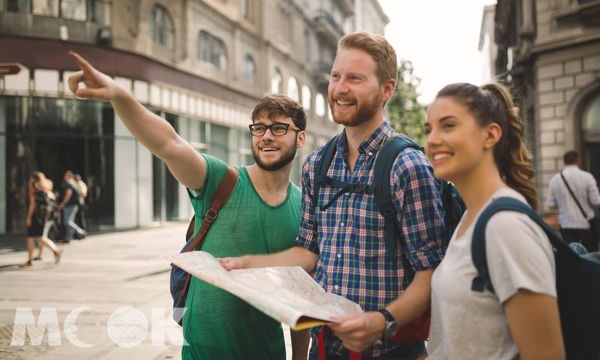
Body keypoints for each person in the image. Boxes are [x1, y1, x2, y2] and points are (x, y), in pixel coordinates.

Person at [67, 51, 310, 360]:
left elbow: (301, 296)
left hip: (266, 352)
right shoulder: (224, 181)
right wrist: (119, 95)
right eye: (259, 127)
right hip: (201, 352)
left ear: (300, 138)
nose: (266, 136)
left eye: (279, 128)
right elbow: (169, 143)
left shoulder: (305, 207)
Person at [222, 31, 446, 359]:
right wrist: (246, 264)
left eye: (354, 78)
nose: (339, 89)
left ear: (387, 89)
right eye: (336, 76)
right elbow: (308, 253)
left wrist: (383, 321)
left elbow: (431, 273)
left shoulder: (407, 166)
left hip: (390, 352)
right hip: (325, 350)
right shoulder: (317, 164)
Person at [424, 82, 565, 359]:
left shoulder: (506, 226)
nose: (432, 140)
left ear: (490, 135)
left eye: (448, 126)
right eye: (429, 129)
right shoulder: (470, 217)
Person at [546, 150, 600, 252]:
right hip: (586, 223)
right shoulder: (587, 177)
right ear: (578, 160)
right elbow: (596, 202)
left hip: (566, 224)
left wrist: (564, 204)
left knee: (571, 256)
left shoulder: (555, 179)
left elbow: (551, 204)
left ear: (564, 161)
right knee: (591, 255)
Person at [25, 171, 62, 266]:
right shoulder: (47, 185)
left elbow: (32, 204)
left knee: (33, 237)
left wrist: (29, 217)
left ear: (33, 179)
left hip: (35, 215)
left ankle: (55, 250)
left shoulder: (34, 187)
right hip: (45, 216)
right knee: (40, 235)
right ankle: (39, 255)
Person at [58, 170, 87, 242]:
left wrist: (62, 204)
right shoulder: (74, 184)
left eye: (65, 176)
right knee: (70, 221)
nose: (64, 177)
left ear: (69, 176)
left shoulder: (70, 185)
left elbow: (68, 195)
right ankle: (68, 238)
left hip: (70, 205)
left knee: (67, 222)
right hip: (73, 205)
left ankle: (80, 231)